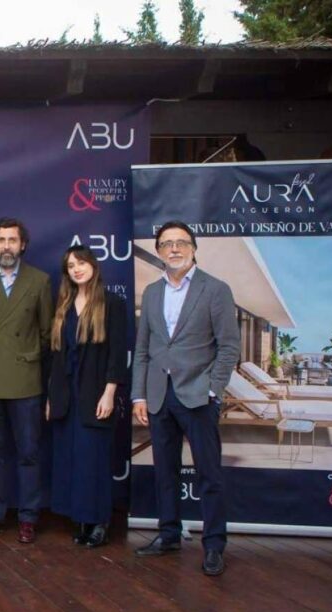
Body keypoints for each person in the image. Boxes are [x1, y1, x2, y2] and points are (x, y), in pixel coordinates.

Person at [132, 221, 240, 576]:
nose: (174, 249)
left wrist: (213, 389)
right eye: (166, 244)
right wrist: (139, 396)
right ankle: (169, 535)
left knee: (209, 475)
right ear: (159, 251)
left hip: (198, 397)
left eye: (181, 242)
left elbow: (229, 347)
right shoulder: (151, 293)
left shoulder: (216, 289)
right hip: (159, 396)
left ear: (193, 248)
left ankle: (214, 545)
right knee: (165, 472)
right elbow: (143, 350)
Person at [0, 217, 53, 543]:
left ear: (23, 245)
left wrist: (26, 357)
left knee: (29, 453)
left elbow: (46, 334)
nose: (6, 246)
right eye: (1, 240)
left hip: (25, 380)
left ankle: (28, 517)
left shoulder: (40, 281)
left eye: (12, 240)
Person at [45, 246, 127, 548]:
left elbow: (117, 353)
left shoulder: (112, 303)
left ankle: (99, 521)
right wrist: (51, 397)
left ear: (93, 265)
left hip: (95, 394)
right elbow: (56, 356)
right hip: (66, 396)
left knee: (94, 460)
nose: (76, 269)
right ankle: (80, 520)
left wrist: (109, 393)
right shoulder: (64, 305)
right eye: (70, 266)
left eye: (81, 263)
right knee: (71, 460)